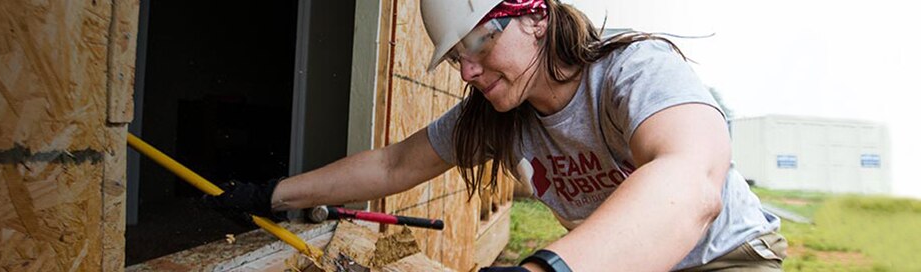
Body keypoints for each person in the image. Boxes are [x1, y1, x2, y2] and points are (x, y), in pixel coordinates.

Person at [205, 0, 785, 271]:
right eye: (456, 56)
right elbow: (391, 166)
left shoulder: (633, 69)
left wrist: (544, 269)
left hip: (725, 259)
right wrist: (271, 194)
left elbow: (692, 181)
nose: (467, 70)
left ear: (536, 15)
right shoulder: (496, 117)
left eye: (478, 43)